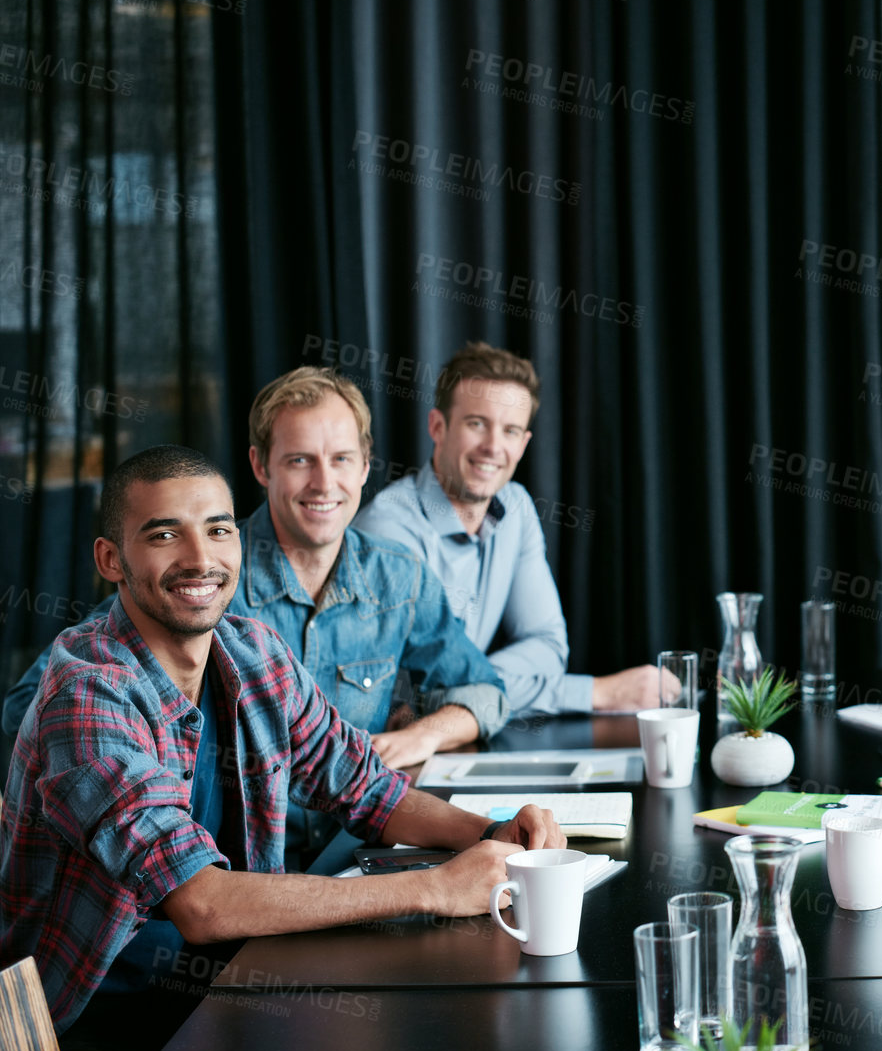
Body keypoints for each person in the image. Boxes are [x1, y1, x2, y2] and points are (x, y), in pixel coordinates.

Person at [0, 445, 563, 1051]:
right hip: (94, 1027)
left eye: (218, 530)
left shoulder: (254, 652)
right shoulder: (86, 693)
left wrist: (496, 833)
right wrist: (435, 887)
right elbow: (203, 904)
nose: (200, 558)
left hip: (236, 980)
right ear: (112, 559)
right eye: (165, 534)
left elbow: (369, 789)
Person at [3, 367, 508, 864]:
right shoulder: (198, 588)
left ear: (364, 466)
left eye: (341, 458)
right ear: (262, 466)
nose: (323, 481)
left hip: (344, 850)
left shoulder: (391, 580)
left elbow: (476, 698)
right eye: (299, 460)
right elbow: (40, 706)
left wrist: (423, 742)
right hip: (208, 872)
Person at [353, 341, 663, 716]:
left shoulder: (515, 507)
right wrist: (595, 693)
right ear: (437, 426)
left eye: (511, 431)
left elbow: (547, 646)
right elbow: (415, 695)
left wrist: (474, 686)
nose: (493, 447)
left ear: (524, 443)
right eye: (476, 424)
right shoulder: (388, 531)